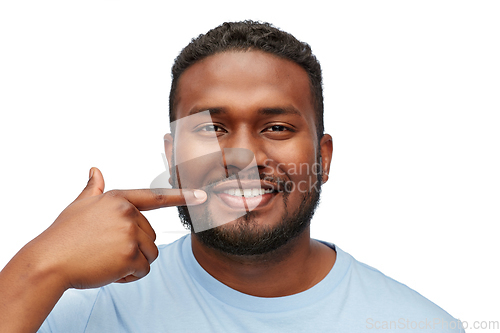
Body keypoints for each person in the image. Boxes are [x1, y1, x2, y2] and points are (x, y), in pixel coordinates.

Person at [0, 21, 463, 332]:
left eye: (277, 127)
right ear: (173, 157)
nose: (242, 156)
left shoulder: (421, 326)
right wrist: (42, 264)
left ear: (323, 158)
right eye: (210, 128)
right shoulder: (78, 307)